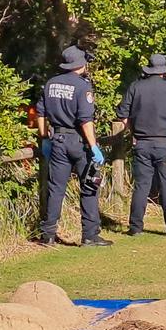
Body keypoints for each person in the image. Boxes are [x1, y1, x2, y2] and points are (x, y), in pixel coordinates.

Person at [36, 45, 113, 247]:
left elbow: (41, 113)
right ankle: (90, 235)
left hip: (57, 140)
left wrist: (44, 137)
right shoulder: (82, 86)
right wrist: (94, 146)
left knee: (56, 188)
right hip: (78, 142)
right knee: (89, 187)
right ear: (81, 64)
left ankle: (48, 235)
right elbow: (85, 120)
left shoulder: (50, 83)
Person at [116, 53, 166, 237]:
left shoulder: (135, 87)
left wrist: (132, 132)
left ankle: (135, 227)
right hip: (165, 143)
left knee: (141, 185)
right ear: (164, 71)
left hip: (141, 142)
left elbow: (122, 114)